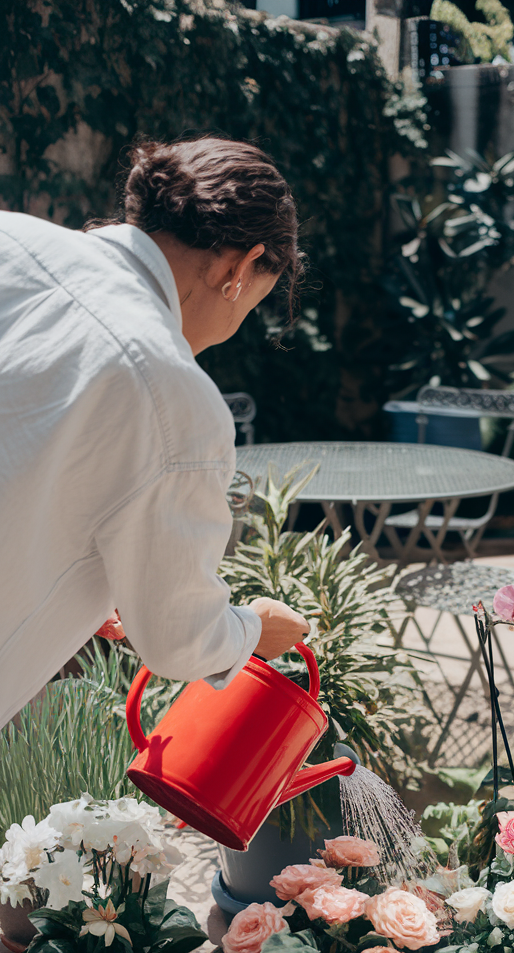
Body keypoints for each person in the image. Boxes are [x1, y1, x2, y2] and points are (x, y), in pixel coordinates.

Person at [0, 136, 310, 728]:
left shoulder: (15, 239)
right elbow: (177, 638)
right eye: (249, 310)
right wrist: (251, 628)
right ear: (242, 269)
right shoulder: (173, 393)